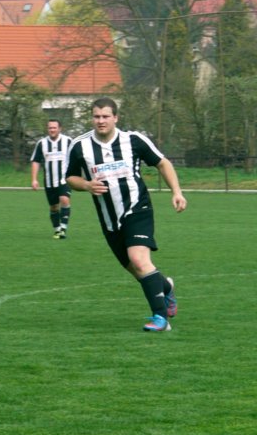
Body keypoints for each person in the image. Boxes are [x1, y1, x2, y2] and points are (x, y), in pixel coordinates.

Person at [65, 97, 186, 332]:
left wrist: (177, 192)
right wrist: (87, 185)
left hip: (137, 209)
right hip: (109, 219)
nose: (101, 121)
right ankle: (166, 288)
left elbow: (163, 163)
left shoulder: (133, 140)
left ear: (115, 118)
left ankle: (161, 319)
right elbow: (70, 177)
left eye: (105, 116)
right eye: (96, 116)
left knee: (139, 260)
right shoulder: (80, 146)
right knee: (136, 268)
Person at [30, 119, 73, 239]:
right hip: (49, 181)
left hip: (64, 180)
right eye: (50, 128)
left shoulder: (68, 141)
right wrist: (34, 179)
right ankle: (57, 229)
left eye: (54, 127)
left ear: (60, 129)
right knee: (54, 207)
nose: (52, 130)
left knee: (64, 200)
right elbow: (36, 161)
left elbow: (76, 156)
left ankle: (63, 229)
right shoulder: (42, 143)